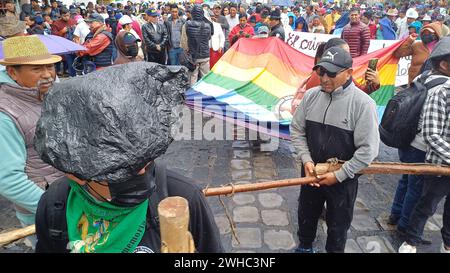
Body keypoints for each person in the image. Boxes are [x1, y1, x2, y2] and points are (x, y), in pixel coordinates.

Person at [33, 62, 224, 254]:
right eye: (120, 170)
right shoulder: (55, 205)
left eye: (145, 159)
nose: (141, 171)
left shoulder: (183, 197)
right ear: (74, 174)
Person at [290, 46, 380, 253]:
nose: (324, 78)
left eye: (332, 73)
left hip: (343, 180)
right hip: (310, 173)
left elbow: (368, 150)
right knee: (306, 213)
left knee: (338, 225)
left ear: (349, 72)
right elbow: (296, 129)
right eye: (321, 72)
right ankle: (304, 246)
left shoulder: (363, 104)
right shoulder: (311, 96)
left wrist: (340, 175)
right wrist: (306, 160)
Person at [0, 36, 64, 240]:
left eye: (50, 67)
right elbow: (8, 179)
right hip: (44, 211)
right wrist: (53, 208)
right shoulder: (5, 115)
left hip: (67, 196)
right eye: (37, 69)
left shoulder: (47, 94)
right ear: (12, 72)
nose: (47, 75)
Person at [398, 36, 450, 254]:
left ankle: (446, 243)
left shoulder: (426, 75)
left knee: (408, 183)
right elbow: (431, 133)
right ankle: (409, 237)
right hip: (433, 157)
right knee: (423, 199)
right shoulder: (442, 91)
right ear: (444, 64)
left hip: (414, 143)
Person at [182, 5, 212, 86]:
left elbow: (184, 42)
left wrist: (187, 50)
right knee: (205, 78)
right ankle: (205, 96)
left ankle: (193, 97)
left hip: (193, 57)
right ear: (202, 14)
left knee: (192, 78)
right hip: (205, 55)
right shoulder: (208, 25)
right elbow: (208, 38)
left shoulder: (187, 24)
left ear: (192, 14)